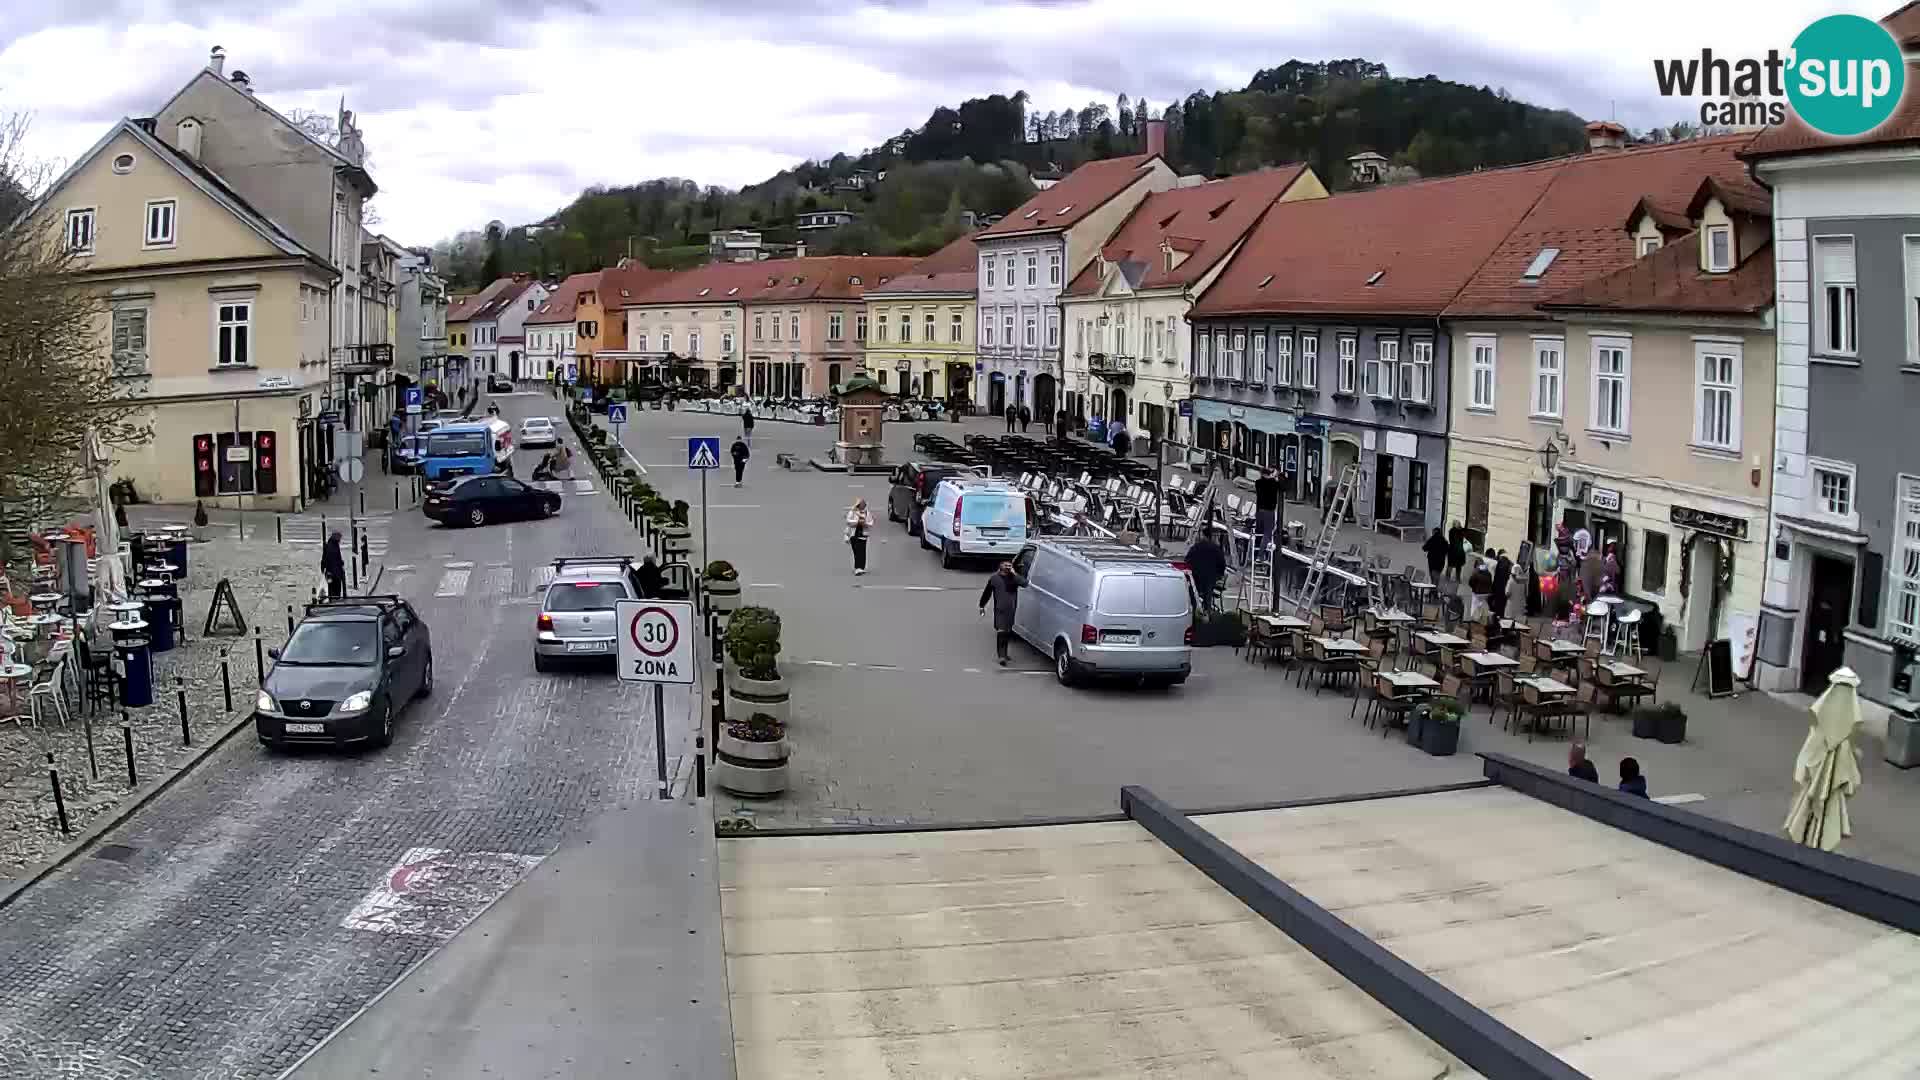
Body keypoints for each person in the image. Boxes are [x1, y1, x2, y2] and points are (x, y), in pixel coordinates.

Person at [978, 560, 1025, 666]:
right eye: (1005, 565)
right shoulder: (994, 578)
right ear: (1000, 566)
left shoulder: (1014, 578)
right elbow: (987, 593)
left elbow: (1024, 583)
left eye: (1009, 565)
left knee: (1007, 632)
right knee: (1001, 631)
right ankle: (1001, 656)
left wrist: (1015, 574)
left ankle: (1004, 653)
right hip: (1000, 609)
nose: (1007, 567)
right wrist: (982, 605)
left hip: (1011, 610)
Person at [1185, 528, 1227, 615]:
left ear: (1203, 535)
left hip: (1197, 577)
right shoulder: (1216, 548)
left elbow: (1187, 561)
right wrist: (1219, 575)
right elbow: (1222, 564)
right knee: (1208, 591)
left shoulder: (1196, 547)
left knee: (1192, 590)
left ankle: (1194, 610)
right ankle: (1207, 611)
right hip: (1210, 578)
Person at [1253, 468, 1282, 556]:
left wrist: (1272, 477)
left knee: (1259, 532)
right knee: (1268, 532)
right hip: (1269, 511)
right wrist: (1275, 477)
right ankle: (1261, 554)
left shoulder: (1258, 483)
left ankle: (1255, 553)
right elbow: (1282, 487)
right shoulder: (1273, 483)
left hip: (1259, 511)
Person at [845, 498, 874, 575]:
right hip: (853, 535)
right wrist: (857, 522)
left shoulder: (867, 513)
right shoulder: (853, 512)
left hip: (863, 535)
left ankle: (860, 568)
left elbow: (871, 523)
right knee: (856, 551)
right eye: (861, 504)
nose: (863, 505)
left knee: (862, 551)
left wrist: (865, 524)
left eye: (864, 504)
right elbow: (848, 521)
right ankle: (858, 567)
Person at [1466, 552, 1493, 621]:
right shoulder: (1488, 573)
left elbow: (1471, 582)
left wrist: (1473, 588)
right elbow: (1490, 582)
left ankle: (1474, 618)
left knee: (1474, 605)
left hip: (1477, 592)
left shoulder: (1476, 572)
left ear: (1477, 564)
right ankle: (1481, 617)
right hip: (1487, 593)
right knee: (1482, 604)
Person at [321, 530, 346, 598]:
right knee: (336, 589)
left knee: (331, 588)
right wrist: (341, 563)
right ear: (336, 538)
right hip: (335, 572)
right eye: (339, 538)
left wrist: (323, 567)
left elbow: (324, 558)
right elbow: (336, 558)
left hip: (330, 572)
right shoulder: (334, 546)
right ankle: (335, 600)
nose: (340, 540)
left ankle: (332, 600)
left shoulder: (328, 545)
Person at [1492, 548, 1514, 620]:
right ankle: (1501, 617)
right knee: (1502, 603)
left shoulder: (1497, 562)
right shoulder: (1510, 563)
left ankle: (1496, 617)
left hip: (1497, 586)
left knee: (1496, 603)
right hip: (1505, 586)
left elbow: (1494, 575)